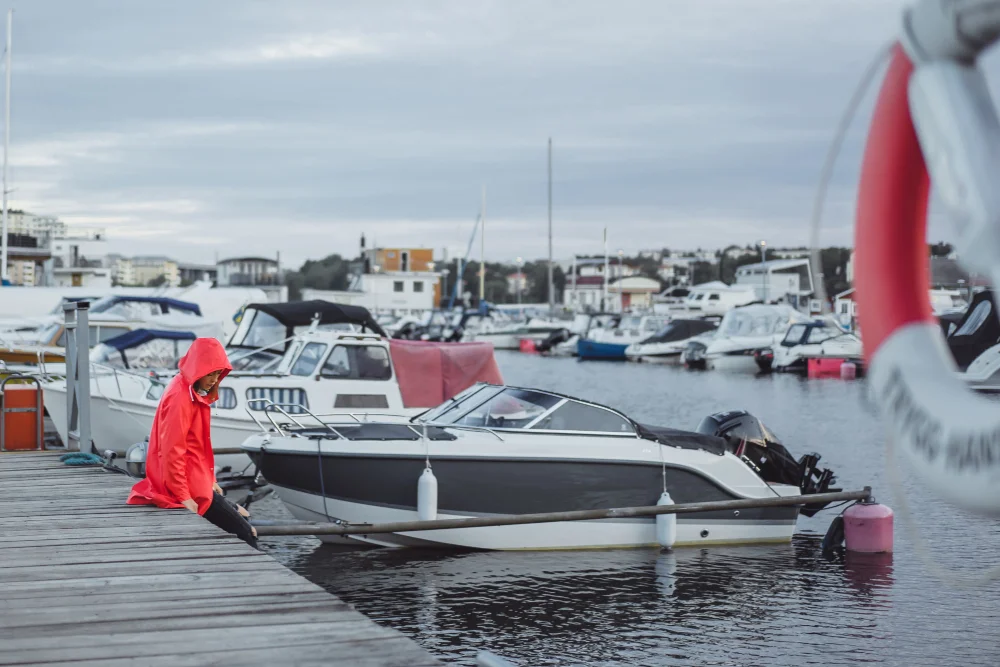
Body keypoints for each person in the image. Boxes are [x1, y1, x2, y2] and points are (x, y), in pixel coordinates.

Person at [127, 337, 259, 549]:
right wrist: (183, 496)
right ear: (198, 368)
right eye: (210, 373)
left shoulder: (191, 390)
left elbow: (198, 447)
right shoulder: (180, 398)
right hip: (188, 486)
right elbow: (172, 452)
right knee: (246, 533)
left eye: (218, 374)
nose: (214, 380)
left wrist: (210, 479)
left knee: (244, 515)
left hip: (198, 480)